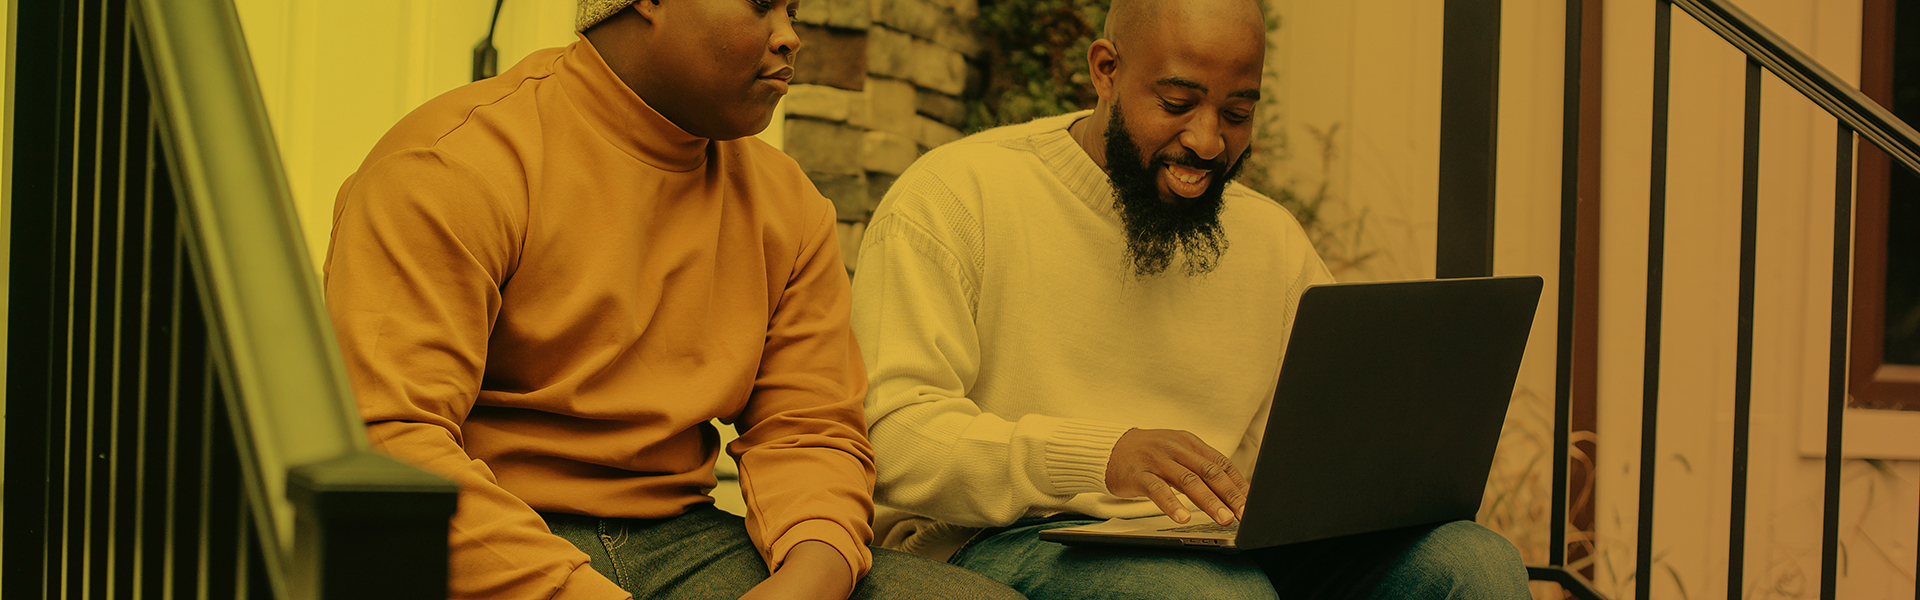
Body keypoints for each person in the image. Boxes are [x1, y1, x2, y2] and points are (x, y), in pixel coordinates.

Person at [324, 1, 1024, 598]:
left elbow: (808, 429)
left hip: (681, 538)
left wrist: (812, 572)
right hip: (496, 533)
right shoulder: (455, 163)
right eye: (760, 3)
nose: (789, 35)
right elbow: (392, 441)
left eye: (794, 9)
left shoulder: (785, 204)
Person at [848, 0, 1533, 598]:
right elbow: (893, 437)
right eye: (1177, 104)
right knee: (1202, 593)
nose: (1207, 142)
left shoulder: (1271, 240)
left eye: (1237, 112)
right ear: (1105, 70)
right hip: (1005, 538)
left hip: (1209, 542)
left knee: (1470, 564)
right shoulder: (957, 196)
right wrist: (1103, 455)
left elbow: (1308, 446)